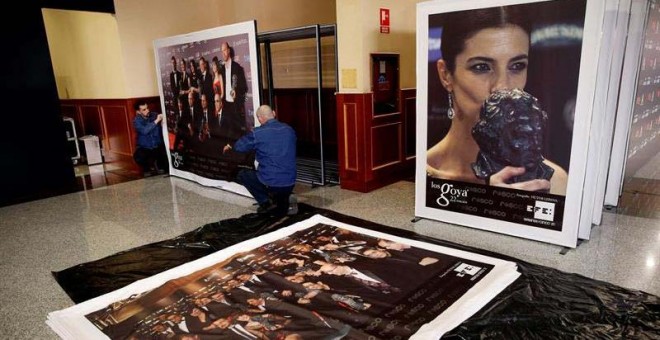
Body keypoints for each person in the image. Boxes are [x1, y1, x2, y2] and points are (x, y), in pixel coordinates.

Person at [426, 6, 568, 195]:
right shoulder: (422, 174)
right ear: (446, 75)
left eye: (517, 66)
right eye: (481, 67)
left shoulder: (550, 181)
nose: (502, 87)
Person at [223, 105, 297, 216]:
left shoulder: (258, 133)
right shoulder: (289, 130)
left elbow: (239, 147)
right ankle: (284, 197)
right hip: (290, 181)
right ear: (274, 113)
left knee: (242, 174)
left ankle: (266, 203)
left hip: (272, 182)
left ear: (259, 119)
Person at [220, 41, 248, 139]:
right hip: (226, 105)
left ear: (228, 51)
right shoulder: (222, 69)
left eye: (224, 50)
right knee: (226, 132)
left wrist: (236, 92)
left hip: (235, 106)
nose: (223, 53)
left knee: (237, 133)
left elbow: (244, 87)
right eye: (221, 51)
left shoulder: (237, 68)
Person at [133, 101, 168, 176]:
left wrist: (162, 120)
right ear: (138, 112)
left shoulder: (154, 115)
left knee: (166, 153)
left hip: (158, 146)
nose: (147, 110)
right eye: (144, 110)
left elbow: (164, 119)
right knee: (138, 156)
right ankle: (147, 168)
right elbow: (145, 130)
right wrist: (156, 121)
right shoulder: (137, 121)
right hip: (145, 147)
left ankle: (159, 165)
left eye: (147, 108)